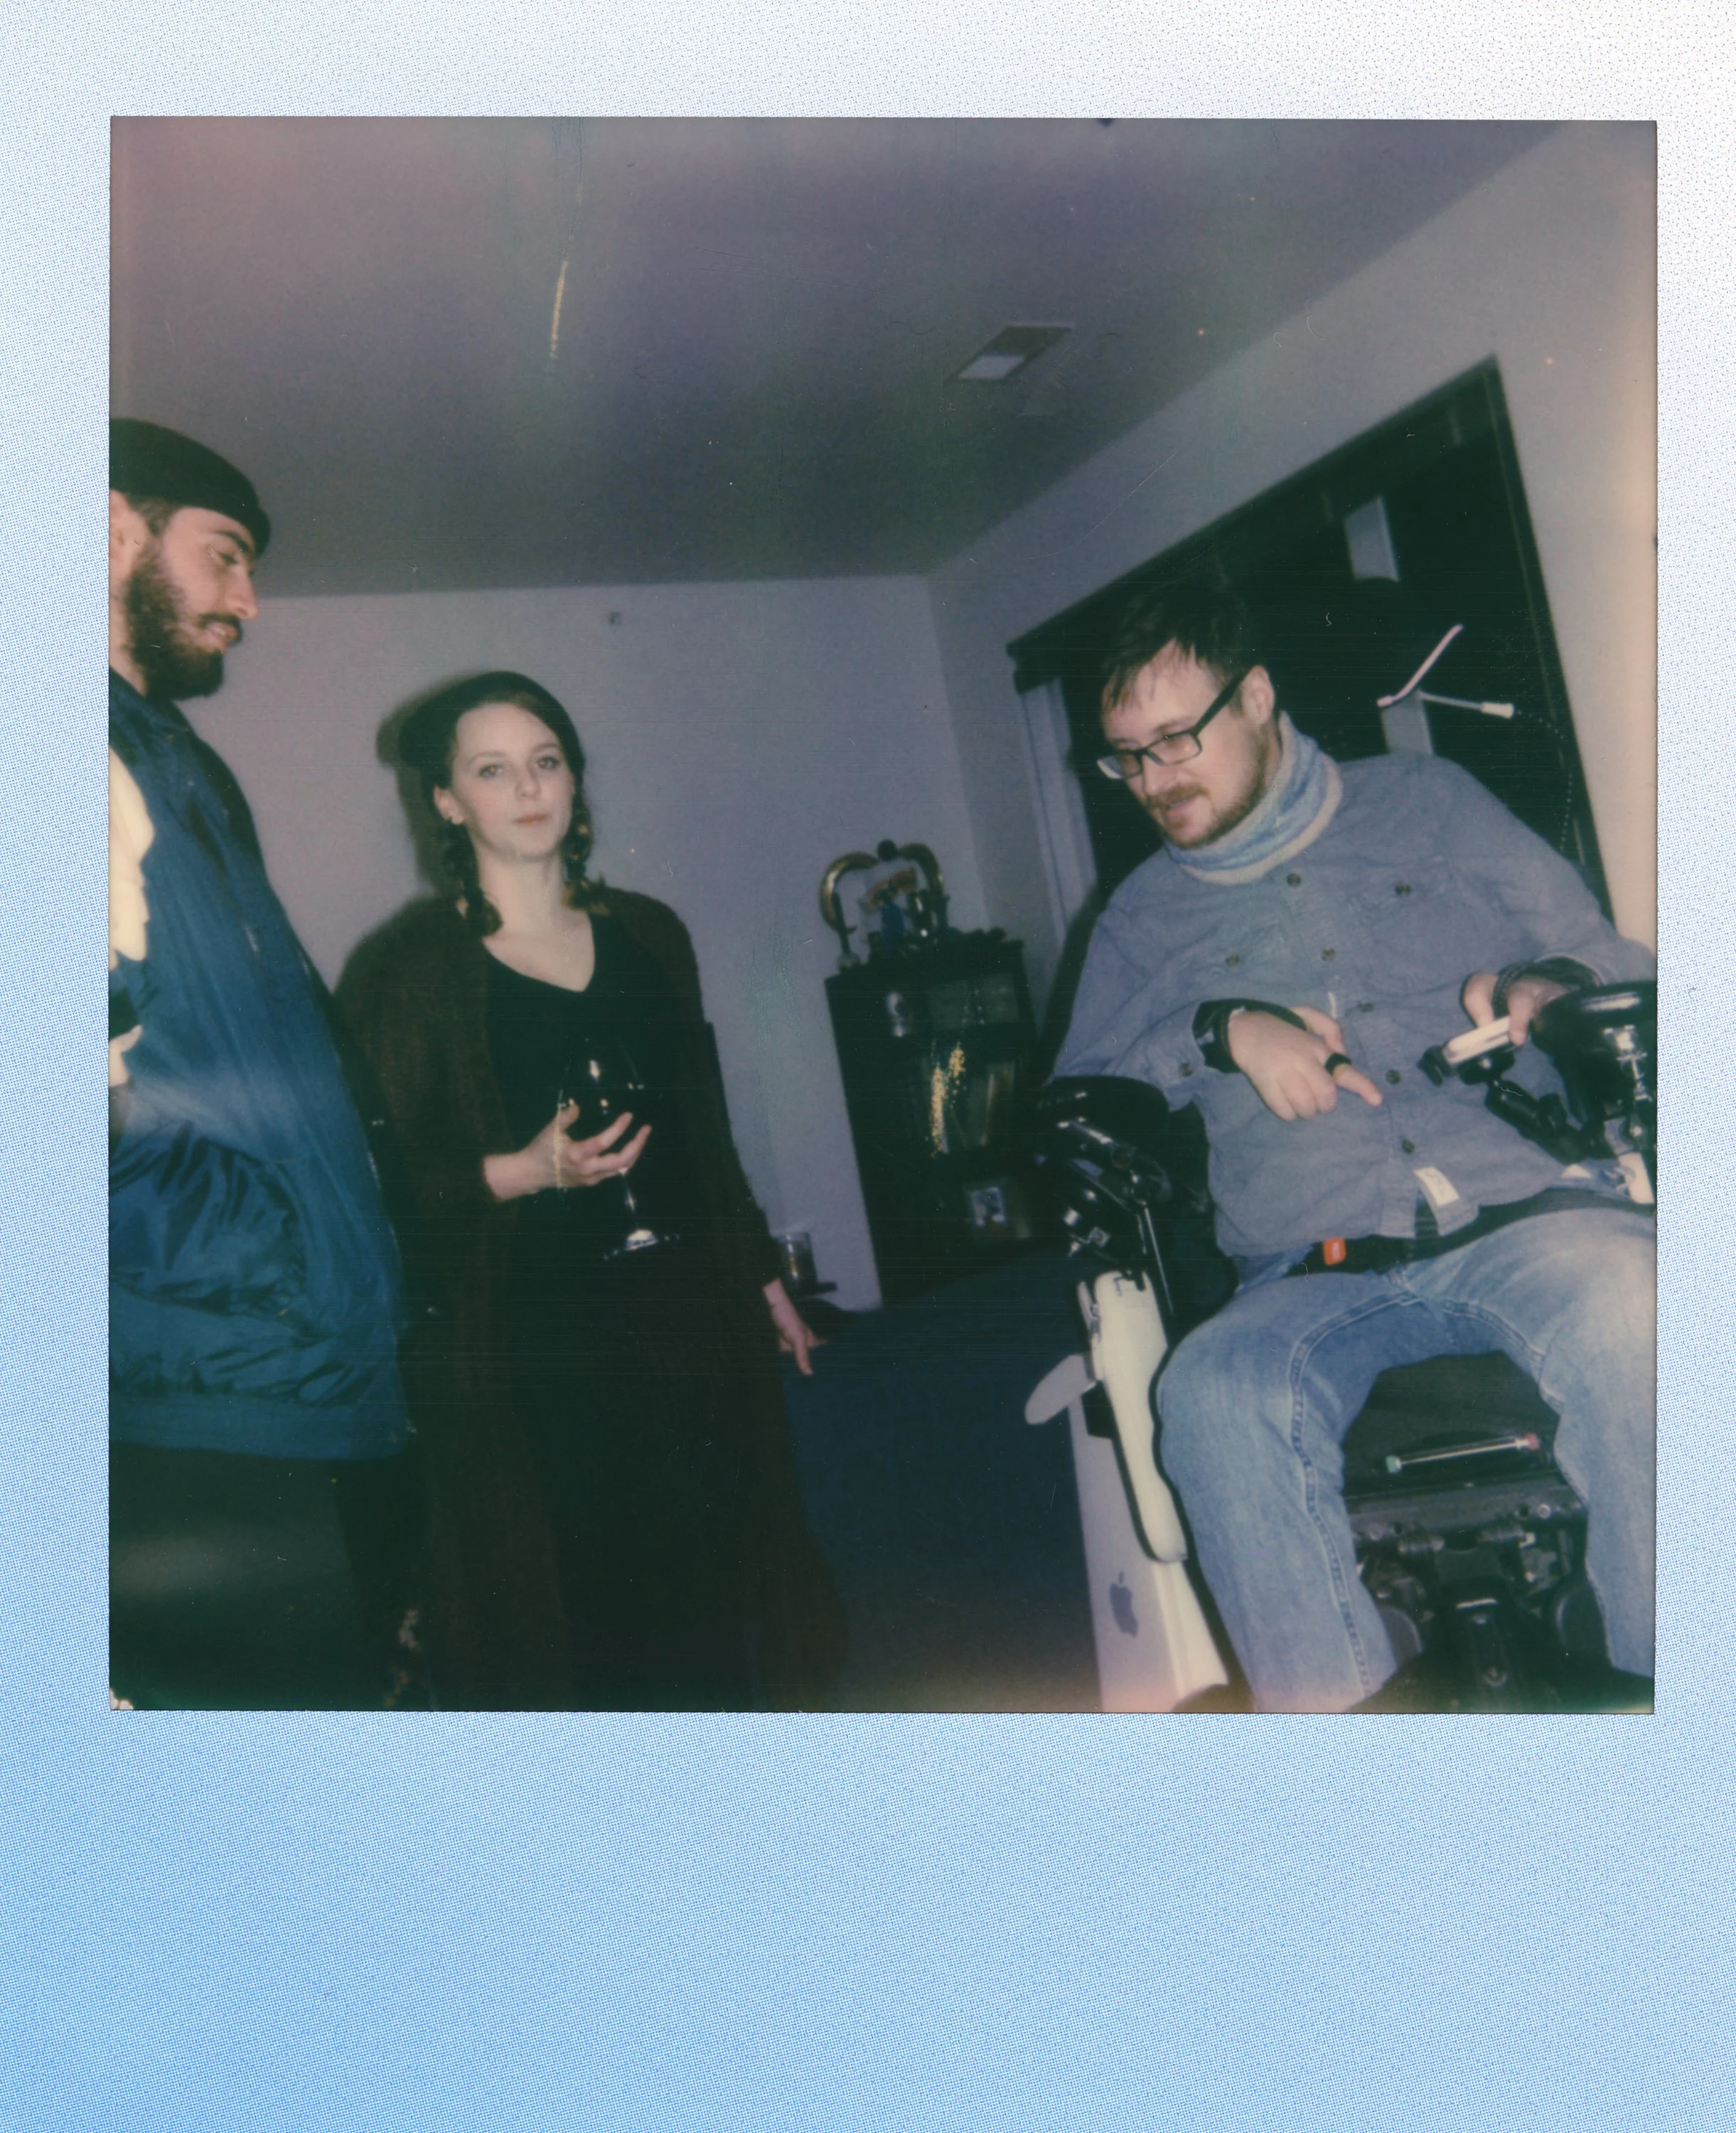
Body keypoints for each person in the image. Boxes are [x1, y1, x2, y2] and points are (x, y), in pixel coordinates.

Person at [1056, 582, 1655, 1713]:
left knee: (1635, 1299)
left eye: (1177, 738)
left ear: (1260, 698)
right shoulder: (1137, 920)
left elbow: (1606, 960)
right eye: (1125, 757)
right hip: (1308, 1271)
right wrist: (1215, 1034)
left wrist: (1543, 985)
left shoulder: (1429, 802)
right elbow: (1077, 1110)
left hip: (1523, 1219)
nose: (1154, 778)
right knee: (1212, 1395)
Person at [336, 672, 846, 1710]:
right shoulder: (406, 970)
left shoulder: (652, 933)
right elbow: (370, 1179)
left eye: (546, 761)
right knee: (595, 1615)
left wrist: (760, 1277)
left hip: (689, 1310)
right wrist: (523, 1171)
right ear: (446, 800)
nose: (527, 789)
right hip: (538, 1345)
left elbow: (703, 1128)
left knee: (712, 1587)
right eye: (491, 770)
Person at [108, 418, 417, 1709]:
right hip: (194, 1381)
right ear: (111, 529)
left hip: (288, 1366)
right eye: (224, 556)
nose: (249, 601)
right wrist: (259, 1253)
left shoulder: (170, 760)